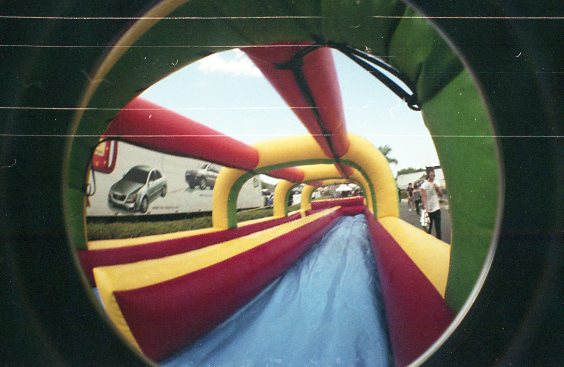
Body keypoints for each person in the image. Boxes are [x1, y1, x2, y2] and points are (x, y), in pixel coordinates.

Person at [421, 167, 443, 239]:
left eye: (433, 172)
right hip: (428, 211)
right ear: (428, 174)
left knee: (438, 229)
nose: (432, 174)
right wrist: (425, 208)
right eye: (431, 172)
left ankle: (439, 243)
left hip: (437, 209)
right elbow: (423, 197)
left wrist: (437, 188)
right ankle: (429, 245)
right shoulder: (424, 185)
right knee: (428, 230)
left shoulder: (437, 182)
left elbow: (441, 195)